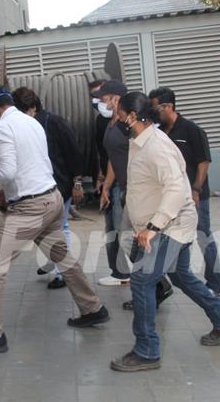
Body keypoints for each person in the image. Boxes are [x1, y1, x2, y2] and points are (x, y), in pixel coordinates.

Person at [110, 92, 220, 373]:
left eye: (119, 113)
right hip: (164, 225)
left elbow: (177, 191)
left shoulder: (157, 146)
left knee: (142, 281)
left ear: (133, 116)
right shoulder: (140, 140)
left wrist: (153, 227)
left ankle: (147, 351)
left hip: (170, 226)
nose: (116, 117)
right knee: (181, 276)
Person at [0, 85, 108, 355]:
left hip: (30, 208)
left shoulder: (1, 128)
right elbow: (33, 166)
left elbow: (9, 169)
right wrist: (3, 194)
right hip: (52, 198)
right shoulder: (32, 122)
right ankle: (93, 308)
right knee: (63, 257)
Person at [148, 86, 220, 297]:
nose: (154, 113)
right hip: (172, 197)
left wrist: (196, 190)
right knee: (174, 237)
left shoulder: (192, 130)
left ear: (169, 106)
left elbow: (204, 162)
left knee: (203, 236)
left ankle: (215, 283)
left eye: (156, 108)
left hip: (194, 195)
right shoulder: (160, 132)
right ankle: (176, 275)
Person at [12, 87, 85, 289]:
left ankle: (63, 274)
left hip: (59, 184)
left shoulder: (53, 122)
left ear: (33, 107)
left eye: (22, 111)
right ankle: (53, 262)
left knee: (61, 229)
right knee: (48, 229)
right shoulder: (23, 125)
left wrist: (78, 182)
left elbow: (73, 152)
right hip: (38, 188)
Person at [91, 80, 132, 287]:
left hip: (130, 187)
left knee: (124, 232)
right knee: (112, 229)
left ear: (117, 98)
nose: (103, 103)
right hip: (116, 185)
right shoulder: (109, 124)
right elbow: (112, 159)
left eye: (105, 98)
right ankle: (120, 272)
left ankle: (150, 278)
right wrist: (105, 185)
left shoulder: (128, 125)